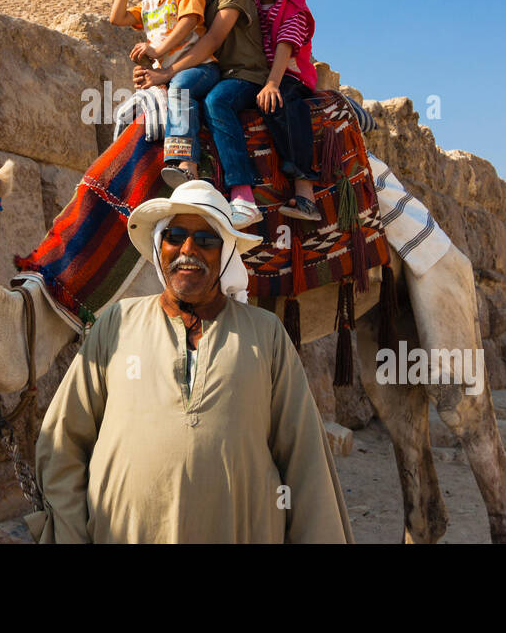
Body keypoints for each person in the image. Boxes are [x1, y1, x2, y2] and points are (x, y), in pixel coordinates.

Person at [24, 180, 354, 543]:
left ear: (225, 253)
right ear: (159, 246)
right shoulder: (116, 324)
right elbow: (64, 443)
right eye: (175, 236)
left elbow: (304, 460)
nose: (187, 249)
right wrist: (69, 534)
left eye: (206, 240)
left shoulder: (265, 335)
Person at [133, 0, 270, 229]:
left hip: (243, 74)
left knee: (216, 102)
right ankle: (186, 170)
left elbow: (211, 41)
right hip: (211, 73)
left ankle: (243, 196)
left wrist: (167, 73)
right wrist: (151, 70)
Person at [109, 0, 219, 186]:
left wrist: (158, 50)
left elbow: (189, 19)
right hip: (164, 74)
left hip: (198, 68)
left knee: (179, 89)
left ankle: (186, 164)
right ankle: (125, 178)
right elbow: (116, 18)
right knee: (128, 113)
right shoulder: (147, 6)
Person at [255, 0, 321, 221]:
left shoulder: (295, 10)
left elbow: (284, 46)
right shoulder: (249, 0)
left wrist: (272, 84)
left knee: (283, 105)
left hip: (289, 75)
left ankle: (305, 189)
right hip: (257, 72)